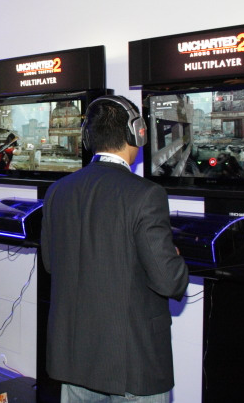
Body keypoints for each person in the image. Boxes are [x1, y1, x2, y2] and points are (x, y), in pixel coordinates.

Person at [41, 95, 189, 403]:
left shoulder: (58, 191)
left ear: (88, 139)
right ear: (137, 133)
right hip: (132, 361)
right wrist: (175, 261)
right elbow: (168, 281)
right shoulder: (146, 194)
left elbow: (51, 264)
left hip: (75, 356)